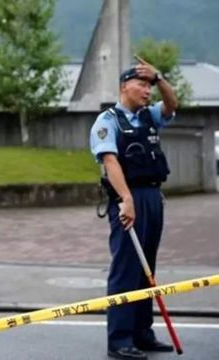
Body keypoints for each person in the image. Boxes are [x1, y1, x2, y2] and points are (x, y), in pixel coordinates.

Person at [90, 56, 178, 359]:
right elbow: (110, 162)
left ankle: (143, 334)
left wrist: (160, 76)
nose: (147, 91)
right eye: (142, 84)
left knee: (146, 269)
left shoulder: (150, 116)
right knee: (126, 270)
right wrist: (126, 199)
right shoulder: (108, 121)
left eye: (149, 85)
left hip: (153, 198)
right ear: (125, 87)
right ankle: (120, 340)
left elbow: (172, 104)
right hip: (128, 199)